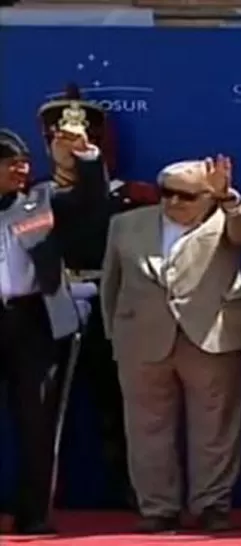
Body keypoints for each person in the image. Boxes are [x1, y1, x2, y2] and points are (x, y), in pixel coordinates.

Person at [100, 156, 241, 534]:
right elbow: (111, 284)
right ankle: (158, 508)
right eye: (166, 193)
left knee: (216, 428)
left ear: (208, 196)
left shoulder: (227, 219)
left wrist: (229, 198)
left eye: (186, 196)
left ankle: (212, 505)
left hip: (211, 336)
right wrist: (116, 335)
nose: (173, 202)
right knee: (145, 428)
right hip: (140, 341)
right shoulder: (125, 224)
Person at [37, 85, 160, 509]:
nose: (69, 144)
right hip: (53, 304)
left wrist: (89, 162)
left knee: (121, 402)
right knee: (50, 405)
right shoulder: (33, 197)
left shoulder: (130, 196)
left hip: (114, 304)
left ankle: (135, 489)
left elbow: (94, 203)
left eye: (79, 136)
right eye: (60, 138)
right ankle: (45, 492)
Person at [0, 126, 107, 535]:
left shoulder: (41, 199)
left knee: (38, 423)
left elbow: (90, 202)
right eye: (11, 164)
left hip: (34, 323)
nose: (22, 170)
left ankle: (35, 515)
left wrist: (87, 159)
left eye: (25, 162)